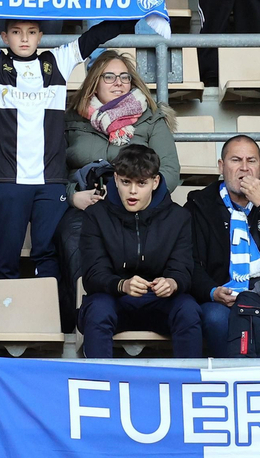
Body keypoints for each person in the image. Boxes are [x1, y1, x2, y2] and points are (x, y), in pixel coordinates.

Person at [0, 7, 129, 279]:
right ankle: (7, 307)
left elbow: (97, 35)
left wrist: (139, 10)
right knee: (5, 258)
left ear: (40, 36)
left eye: (31, 32)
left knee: (48, 256)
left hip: (50, 180)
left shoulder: (58, 61)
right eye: (17, 32)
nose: (24, 38)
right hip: (9, 180)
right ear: (4, 37)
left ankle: (50, 307)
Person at [186, 134, 260, 357]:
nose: (244, 168)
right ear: (221, 166)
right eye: (235, 160)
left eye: (251, 161)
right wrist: (212, 291)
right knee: (215, 317)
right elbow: (188, 262)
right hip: (223, 300)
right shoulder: (200, 206)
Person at [79, 142, 201, 358]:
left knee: (188, 309)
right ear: (116, 178)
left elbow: (183, 268)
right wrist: (122, 285)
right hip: (113, 299)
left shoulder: (178, 217)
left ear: (155, 182)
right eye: (126, 182)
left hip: (161, 302)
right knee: (97, 309)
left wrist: (172, 283)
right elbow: (93, 274)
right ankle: (98, 378)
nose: (133, 191)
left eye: (141, 183)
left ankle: (188, 378)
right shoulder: (95, 215)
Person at [66, 50, 179, 189]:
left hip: (135, 199)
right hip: (84, 198)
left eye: (124, 77)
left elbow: (169, 170)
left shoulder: (151, 118)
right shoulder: (72, 118)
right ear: (95, 84)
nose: (118, 82)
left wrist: (138, 194)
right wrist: (73, 194)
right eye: (109, 77)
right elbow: (54, 171)